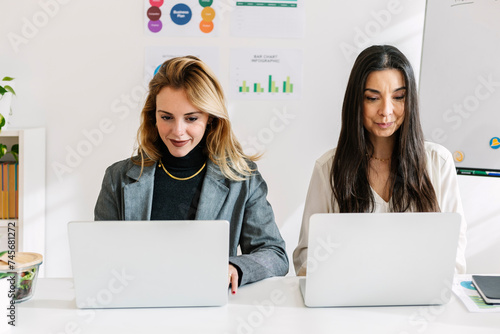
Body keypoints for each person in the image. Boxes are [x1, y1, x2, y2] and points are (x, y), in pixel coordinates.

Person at [95, 56, 288, 293]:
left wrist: (235, 267)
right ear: (152, 117)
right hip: (138, 303)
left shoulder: (242, 178)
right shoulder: (118, 177)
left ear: (211, 119)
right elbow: (99, 257)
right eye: (166, 117)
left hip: (208, 306)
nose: (178, 131)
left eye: (191, 118)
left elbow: (274, 254)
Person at [293, 45, 467, 276]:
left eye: (398, 97)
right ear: (356, 102)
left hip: (419, 303)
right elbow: (306, 257)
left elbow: (454, 254)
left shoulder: (438, 163)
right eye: (373, 98)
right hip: (349, 302)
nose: (386, 111)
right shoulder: (328, 169)